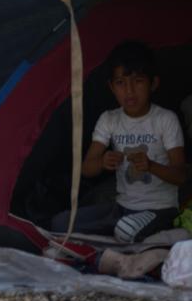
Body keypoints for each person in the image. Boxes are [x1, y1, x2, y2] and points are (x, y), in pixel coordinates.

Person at [51, 41, 186, 242]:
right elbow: (87, 168)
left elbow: (181, 175)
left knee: (124, 230)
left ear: (153, 84)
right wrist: (103, 161)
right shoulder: (109, 119)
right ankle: (118, 236)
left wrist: (151, 166)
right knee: (61, 224)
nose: (129, 91)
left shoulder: (165, 119)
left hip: (161, 210)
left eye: (138, 81)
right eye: (121, 83)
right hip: (121, 209)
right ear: (112, 87)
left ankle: (116, 237)